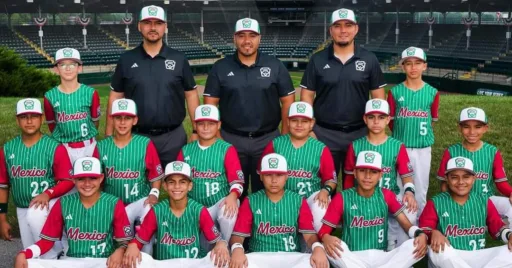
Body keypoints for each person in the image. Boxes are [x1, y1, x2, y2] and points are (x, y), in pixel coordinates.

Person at [203, 18, 295, 198]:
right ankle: (238, 226)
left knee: (268, 192)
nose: (247, 41)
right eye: (241, 36)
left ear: (259, 38)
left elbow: (288, 102)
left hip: (267, 139)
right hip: (231, 139)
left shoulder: (275, 65)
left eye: (252, 35)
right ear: (234, 38)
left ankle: (266, 225)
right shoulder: (220, 67)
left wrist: (283, 136)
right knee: (234, 192)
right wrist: (219, 139)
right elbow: (210, 105)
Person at [300, 8, 386, 183]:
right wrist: (309, 129)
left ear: (356, 29)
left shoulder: (369, 59)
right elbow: (307, 96)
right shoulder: (317, 60)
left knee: (358, 188)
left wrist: (375, 130)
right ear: (331, 30)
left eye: (348, 25)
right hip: (323, 133)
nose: (343, 30)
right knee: (321, 189)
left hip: (359, 134)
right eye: (337, 26)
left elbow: (379, 99)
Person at [108, 5, 200, 167]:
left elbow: (191, 94)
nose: (152, 27)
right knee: (136, 184)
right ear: (139, 26)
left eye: (158, 23)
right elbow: (116, 96)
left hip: (173, 136)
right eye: (147, 22)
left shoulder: (179, 59)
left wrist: (195, 130)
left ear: (165, 26)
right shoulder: (127, 59)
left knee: (177, 186)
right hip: (136, 136)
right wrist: (109, 133)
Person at [14, 157, 132, 268]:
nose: (87, 183)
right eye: (81, 179)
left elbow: (124, 241)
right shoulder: (63, 203)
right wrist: (25, 253)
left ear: (101, 178)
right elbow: (47, 242)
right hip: (71, 262)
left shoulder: (114, 203)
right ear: (74, 180)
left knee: (142, 261)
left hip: (103, 262)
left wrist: (120, 250)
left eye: (92, 178)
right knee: (29, 263)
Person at [318, 151, 427, 268]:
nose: (367, 176)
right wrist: (326, 237)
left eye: (373, 172)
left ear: (380, 175)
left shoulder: (387, 195)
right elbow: (323, 231)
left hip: (381, 256)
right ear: (354, 172)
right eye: (362, 171)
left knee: (414, 245)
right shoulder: (342, 197)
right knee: (330, 248)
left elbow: (406, 225)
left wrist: (420, 234)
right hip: (352, 257)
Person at [0, 98, 74, 259]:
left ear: (41, 118)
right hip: (22, 207)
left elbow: (68, 181)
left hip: (47, 206)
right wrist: (2, 218)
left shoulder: (54, 146)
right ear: (17, 120)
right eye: (24, 116)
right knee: (32, 255)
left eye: (33, 116)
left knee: (50, 254)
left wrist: (48, 193)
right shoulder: (7, 149)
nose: (29, 121)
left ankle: (59, 255)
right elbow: (3, 186)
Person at [122, 161, 230, 268]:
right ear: (164, 185)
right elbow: (139, 240)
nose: (177, 186)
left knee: (220, 260)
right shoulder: (157, 210)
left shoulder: (199, 210)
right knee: (134, 260)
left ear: (190, 186)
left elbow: (217, 240)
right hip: (164, 264)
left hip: (194, 263)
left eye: (182, 182)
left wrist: (221, 244)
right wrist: (133, 245)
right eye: (171, 182)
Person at [229, 153, 329, 268]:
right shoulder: (251, 200)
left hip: (292, 257)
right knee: (238, 263)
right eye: (268, 175)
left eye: (279, 175)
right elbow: (238, 235)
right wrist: (237, 249)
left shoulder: (298, 200)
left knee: (313, 262)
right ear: (261, 176)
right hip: (259, 257)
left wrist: (317, 247)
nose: (274, 180)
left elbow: (309, 234)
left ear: (287, 176)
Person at [343, 99, 417, 249]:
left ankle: (401, 251)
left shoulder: (397, 146)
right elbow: (349, 177)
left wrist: (409, 192)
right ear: (365, 119)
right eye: (371, 117)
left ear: (388, 119)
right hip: (363, 197)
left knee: (409, 210)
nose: (376, 121)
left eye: (381, 117)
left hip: (390, 196)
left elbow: (406, 174)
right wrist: (347, 199)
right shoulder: (356, 145)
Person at [93, 98, 164, 253]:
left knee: (148, 210)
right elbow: (94, 180)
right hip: (112, 202)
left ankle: (146, 258)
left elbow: (156, 174)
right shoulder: (101, 146)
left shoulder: (144, 143)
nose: (123, 122)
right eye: (118, 118)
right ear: (111, 119)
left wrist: (154, 194)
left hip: (138, 200)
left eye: (127, 118)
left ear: (135, 120)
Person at [420, 157, 512, 267]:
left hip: (477, 255)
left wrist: (509, 235)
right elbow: (423, 229)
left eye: (466, 177)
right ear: (447, 179)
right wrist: (433, 233)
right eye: (454, 177)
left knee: (509, 253)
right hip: (449, 256)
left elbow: (497, 227)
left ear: (474, 179)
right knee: (439, 250)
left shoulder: (483, 201)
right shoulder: (436, 202)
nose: (461, 182)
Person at [260, 101, 336, 232]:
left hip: (310, 198)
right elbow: (262, 174)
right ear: (288, 122)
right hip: (281, 197)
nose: (299, 125)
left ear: (311, 123)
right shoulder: (275, 144)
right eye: (295, 120)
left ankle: (317, 243)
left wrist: (325, 191)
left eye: (304, 121)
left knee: (321, 204)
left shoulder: (321, 148)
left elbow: (331, 179)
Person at [177, 104, 244, 245]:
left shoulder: (226, 149)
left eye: (211, 124)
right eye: (201, 124)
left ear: (218, 125)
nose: (206, 128)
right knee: (202, 248)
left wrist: (232, 196)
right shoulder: (186, 150)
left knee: (229, 212)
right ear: (195, 125)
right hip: (194, 205)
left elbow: (237, 181)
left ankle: (225, 246)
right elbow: (178, 182)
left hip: (218, 202)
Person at [437, 107, 512, 228]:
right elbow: (444, 184)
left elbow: (501, 183)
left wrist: (511, 193)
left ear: (485, 128)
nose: (472, 132)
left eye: (478, 127)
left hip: (487, 201)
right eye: (466, 126)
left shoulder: (492, 151)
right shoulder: (451, 151)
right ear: (459, 128)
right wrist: (449, 204)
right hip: (459, 201)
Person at [387, 46, 440, 216]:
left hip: (423, 148)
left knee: (420, 188)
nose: (413, 67)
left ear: (425, 66)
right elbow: (391, 122)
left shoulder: (432, 92)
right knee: (399, 188)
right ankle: (399, 225)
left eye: (418, 63)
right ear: (403, 67)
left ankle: (420, 227)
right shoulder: (395, 92)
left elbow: (431, 121)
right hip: (400, 148)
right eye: (408, 63)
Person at [43, 48, 100, 163]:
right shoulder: (50, 96)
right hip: (63, 147)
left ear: (79, 68)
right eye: (62, 65)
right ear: (56, 69)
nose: (68, 68)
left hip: (88, 146)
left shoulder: (90, 93)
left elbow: (95, 122)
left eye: (73, 64)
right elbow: (51, 124)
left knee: (89, 180)